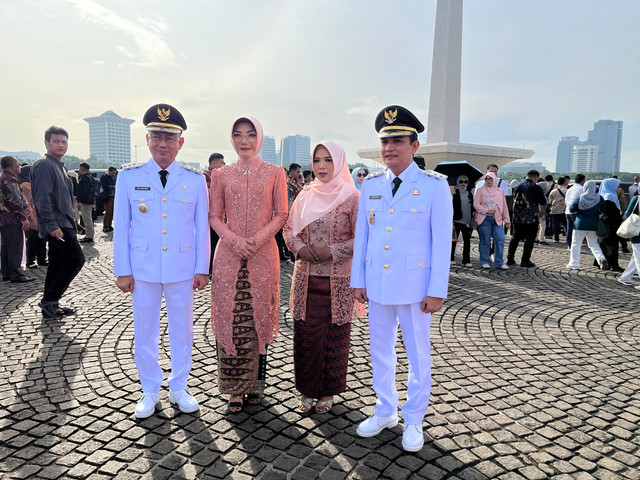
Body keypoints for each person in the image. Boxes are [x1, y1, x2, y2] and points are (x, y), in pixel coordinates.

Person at [351, 105, 452, 452]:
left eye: (397, 140)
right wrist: (357, 281)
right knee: (379, 352)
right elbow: (363, 237)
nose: (389, 148)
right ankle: (385, 410)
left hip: (414, 288)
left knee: (417, 355)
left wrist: (437, 290)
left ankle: (414, 418)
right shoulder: (371, 185)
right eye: (384, 142)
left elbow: (442, 244)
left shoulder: (434, 186)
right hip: (377, 285)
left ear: (415, 145)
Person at [113, 103, 210, 419]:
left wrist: (201, 268)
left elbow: (201, 228)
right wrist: (123, 271)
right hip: (143, 270)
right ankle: (150, 389)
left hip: (182, 270)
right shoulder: (129, 177)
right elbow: (121, 227)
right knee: (145, 330)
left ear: (181, 142)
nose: (163, 144)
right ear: (147, 139)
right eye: (157, 136)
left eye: (170, 138)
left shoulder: (195, 180)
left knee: (182, 330)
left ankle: (179, 386)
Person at [209, 115, 287, 413]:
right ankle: (234, 390)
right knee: (232, 317)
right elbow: (215, 216)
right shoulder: (221, 175)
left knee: (256, 319)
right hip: (228, 257)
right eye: (238, 135)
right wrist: (234, 240)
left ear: (260, 138)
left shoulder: (274, 173)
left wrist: (255, 239)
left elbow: (281, 214)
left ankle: (255, 387)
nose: (245, 141)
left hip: (263, 255)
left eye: (251, 135)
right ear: (231, 138)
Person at [283, 141, 363, 414]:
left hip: (337, 282)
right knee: (305, 337)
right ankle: (306, 389)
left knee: (334, 337)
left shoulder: (352, 197)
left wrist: (331, 251)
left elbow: (360, 238)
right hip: (305, 281)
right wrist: (300, 248)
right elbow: (288, 231)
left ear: (339, 162)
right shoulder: (305, 195)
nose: (321, 166)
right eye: (317, 160)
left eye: (328, 160)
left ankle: (328, 392)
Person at [31, 126, 85, 318]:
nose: (61, 145)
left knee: (56, 263)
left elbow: (64, 199)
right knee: (76, 259)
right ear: (46, 143)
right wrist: (51, 224)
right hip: (57, 224)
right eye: (56, 141)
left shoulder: (60, 166)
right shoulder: (44, 165)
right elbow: (42, 198)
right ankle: (49, 300)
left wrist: (75, 223)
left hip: (65, 222)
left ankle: (50, 303)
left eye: (64, 141)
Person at [0, 156, 34, 283]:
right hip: (13, 219)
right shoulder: (11, 180)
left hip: (3, 219)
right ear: (14, 166)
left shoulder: (2, 178)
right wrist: (23, 218)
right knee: (15, 246)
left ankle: (7, 273)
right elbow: (16, 201)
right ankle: (16, 274)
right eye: (18, 164)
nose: (19, 167)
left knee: (6, 246)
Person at [506, 170, 546, 268]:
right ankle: (525, 260)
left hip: (517, 217)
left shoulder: (516, 186)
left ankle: (510, 259)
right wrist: (542, 214)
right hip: (531, 218)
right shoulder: (536, 187)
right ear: (536, 178)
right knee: (530, 239)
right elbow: (542, 202)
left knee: (515, 237)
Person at [566, 181, 607, 270]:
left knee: (576, 244)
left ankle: (574, 264)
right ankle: (601, 258)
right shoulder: (599, 198)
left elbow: (571, 209)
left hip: (580, 224)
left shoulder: (579, 198)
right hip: (593, 224)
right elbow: (604, 209)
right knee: (593, 244)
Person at [473, 172, 510, 269]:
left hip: (497, 219)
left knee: (500, 239)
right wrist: (487, 211)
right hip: (484, 218)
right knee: (485, 241)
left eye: (490, 179)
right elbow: (476, 204)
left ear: (494, 180)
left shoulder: (499, 191)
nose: (488, 181)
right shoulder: (480, 190)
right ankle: (484, 260)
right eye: (486, 179)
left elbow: (504, 206)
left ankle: (499, 261)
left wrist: (507, 220)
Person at [18, 165, 48, 268]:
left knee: (41, 237)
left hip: (39, 215)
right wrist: (32, 219)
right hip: (32, 216)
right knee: (33, 239)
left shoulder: (32, 184)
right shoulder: (25, 186)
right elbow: (28, 204)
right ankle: (30, 261)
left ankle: (41, 258)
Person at [597, 178, 624, 271]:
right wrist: (621, 217)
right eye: (617, 185)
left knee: (602, 242)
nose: (618, 187)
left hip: (603, 221)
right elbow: (613, 211)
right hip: (610, 222)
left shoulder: (602, 194)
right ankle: (613, 264)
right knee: (611, 243)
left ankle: (599, 262)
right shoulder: (610, 196)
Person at [206, 153, 225, 275]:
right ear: (214, 163)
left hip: (218, 216)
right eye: (221, 163)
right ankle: (209, 267)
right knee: (211, 243)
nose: (223, 165)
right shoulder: (204, 177)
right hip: (208, 216)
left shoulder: (217, 176)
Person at [617, 193, 640, 288]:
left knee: (638, 257)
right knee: (636, 257)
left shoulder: (637, 198)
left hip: (637, 232)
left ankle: (625, 277)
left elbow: (626, 214)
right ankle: (625, 277)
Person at [451, 175, 474, 267]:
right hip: (456, 220)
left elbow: (472, 206)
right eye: (461, 181)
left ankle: (466, 259)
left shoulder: (470, 193)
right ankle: (451, 258)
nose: (463, 183)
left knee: (467, 241)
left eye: (465, 182)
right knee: (453, 240)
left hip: (467, 221)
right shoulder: (454, 194)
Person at [565, 174, 586, 251]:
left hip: (568, 211)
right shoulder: (581, 189)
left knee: (569, 229)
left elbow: (566, 201)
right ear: (583, 180)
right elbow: (581, 201)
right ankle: (576, 247)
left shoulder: (570, 189)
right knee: (578, 230)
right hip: (576, 212)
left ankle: (569, 246)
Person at [76, 162, 96, 243]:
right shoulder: (90, 177)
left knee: (86, 219)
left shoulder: (85, 178)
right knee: (88, 218)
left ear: (82, 169)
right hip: (89, 200)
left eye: (80, 168)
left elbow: (84, 191)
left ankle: (89, 236)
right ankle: (89, 234)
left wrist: (80, 201)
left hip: (86, 201)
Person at [548, 176, 568, 242]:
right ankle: (567, 237)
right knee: (566, 224)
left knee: (555, 224)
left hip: (554, 210)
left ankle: (556, 238)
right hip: (563, 210)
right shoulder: (567, 191)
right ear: (564, 182)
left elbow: (550, 200)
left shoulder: (553, 191)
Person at [100, 167, 117, 232]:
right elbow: (104, 186)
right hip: (107, 197)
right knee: (108, 211)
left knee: (112, 212)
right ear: (109, 171)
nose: (113, 175)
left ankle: (109, 225)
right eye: (113, 173)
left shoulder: (114, 178)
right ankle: (105, 225)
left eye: (114, 173)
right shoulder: (104, 177)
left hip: (113, 196)